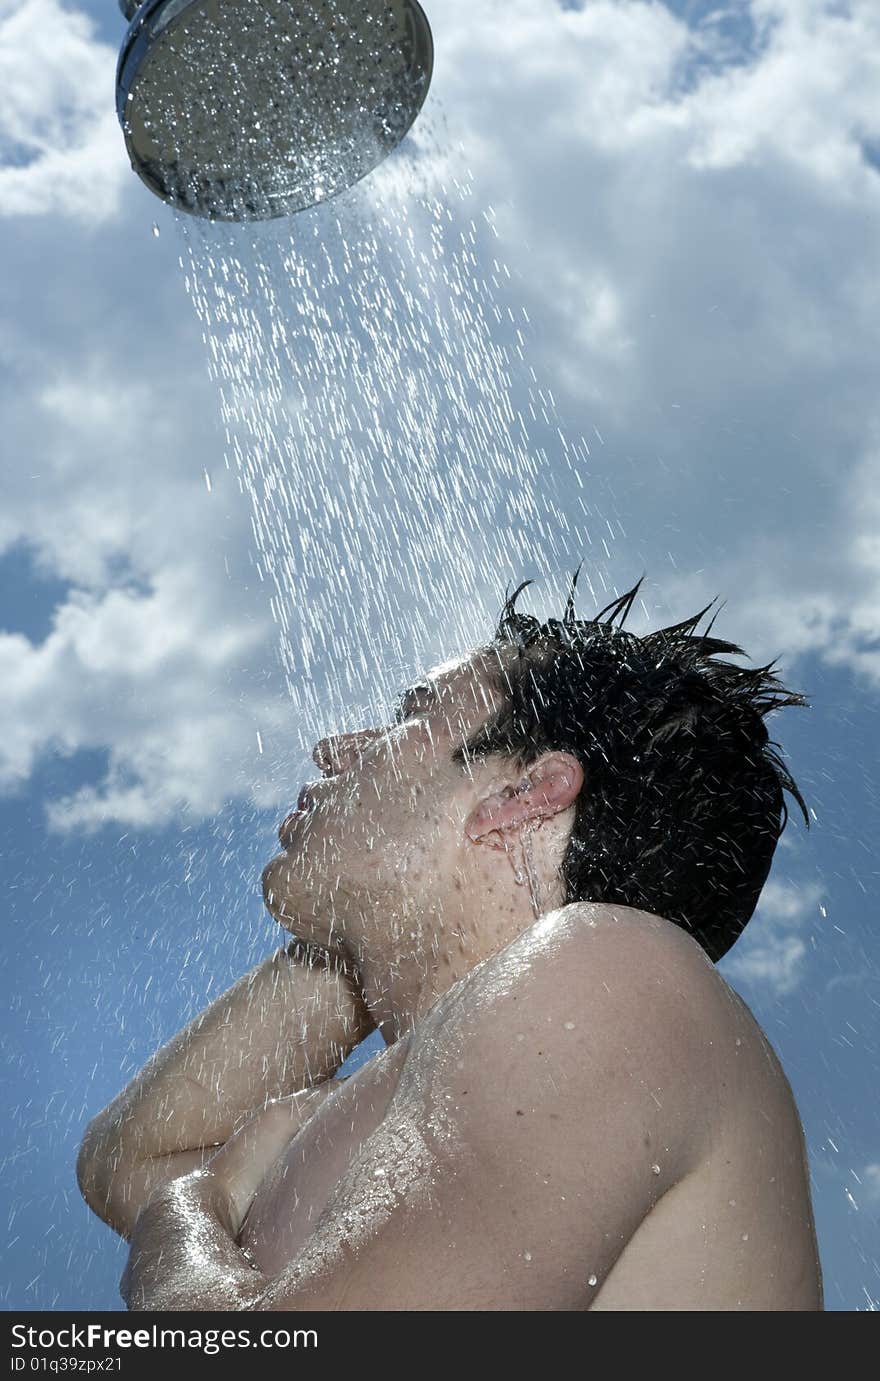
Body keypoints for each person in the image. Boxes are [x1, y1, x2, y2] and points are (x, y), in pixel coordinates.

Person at [77, 574, 824, 1310]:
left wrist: (184, 1216)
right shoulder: (439, 1096)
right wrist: (368, 912)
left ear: (522, 793)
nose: (338, 750)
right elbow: (129, 1160)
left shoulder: (612, 968)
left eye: (411, 712)